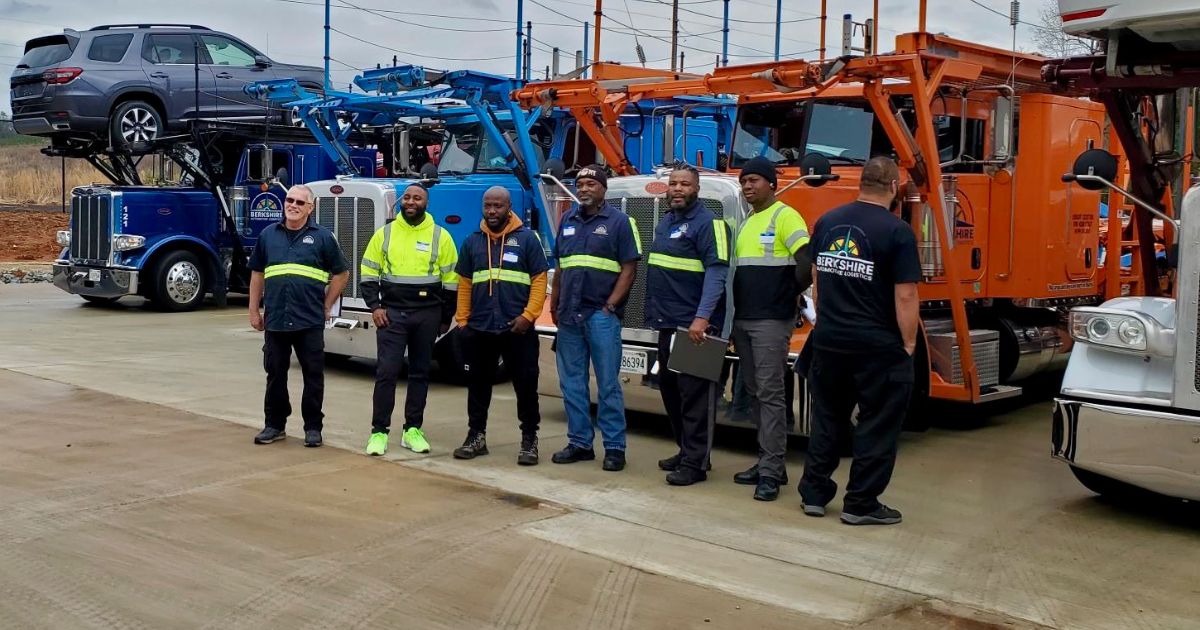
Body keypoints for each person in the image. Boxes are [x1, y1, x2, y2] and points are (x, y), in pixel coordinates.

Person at [798, 156, 920, 525]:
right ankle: (861, 503)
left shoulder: (829, 221)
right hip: (876, 346)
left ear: (860, 183)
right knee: (877, 425)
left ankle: (814, 495)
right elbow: (905, 296)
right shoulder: (897, 232)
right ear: (894, 187)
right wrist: (909, 344)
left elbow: (817, 276)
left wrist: (826, 318)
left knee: (828, 418)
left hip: (830, 340)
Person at [730, 156, 812, 501]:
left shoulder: (785, 215)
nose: (748, 186)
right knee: (756, 394)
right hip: (745, 319)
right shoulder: (748, 221)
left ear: (771, 184)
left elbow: (806, 260)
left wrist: (788, 297)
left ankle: (770, 470)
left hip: (770, 321)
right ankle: (769, 464)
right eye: (744, 181)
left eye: (755, 180)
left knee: (770, 394)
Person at [550, 164, 641, 471]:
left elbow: (629, 269)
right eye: (580, 184)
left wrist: (610, 305)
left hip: (601, 315)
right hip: (569, 317)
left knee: (608, 385)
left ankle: (615, 448)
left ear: (603, 189)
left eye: (591, 183)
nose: (584, 188)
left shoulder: (620, 222)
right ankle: (579, 443)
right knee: (572, 383)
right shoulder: (566, 220)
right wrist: (555, 305)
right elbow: (562, 266)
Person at [645, 163, 731, 486]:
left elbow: (717, 273)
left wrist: (702, 317)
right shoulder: (667, 221)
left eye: (684, 184)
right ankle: (685, 450)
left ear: (697, 189)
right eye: (673, 183)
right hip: (668, 323)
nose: (677, 189)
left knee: (696, 397)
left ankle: (696, 463)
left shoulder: (710, 224)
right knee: (670, 389)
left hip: (695, 327)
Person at [451, 186, 549, 465]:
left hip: (517, 328)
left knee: (526, 387)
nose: (492, 211)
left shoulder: (528, 240)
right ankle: (476, 436)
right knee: (478, 386)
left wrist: (529, 316)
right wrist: (462, 321)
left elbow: (540, 280)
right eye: (488, 206)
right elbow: (465, 283)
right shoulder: (472, 242)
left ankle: (529, 440)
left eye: (498, 206)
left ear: (509, 207)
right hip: (480, 328)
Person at [248, 184, 350, 447]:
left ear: (310, 208)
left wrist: (327, 304)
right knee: (275, 375)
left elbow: (341, 274)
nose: (293, 205)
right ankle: (274, 425)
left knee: (313, 376)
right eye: (289, 200)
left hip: (309, 320)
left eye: (299, 202)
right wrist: (253, 311)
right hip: (276, 319)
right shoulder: (268, 236)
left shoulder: (323, 238)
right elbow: (257, 274)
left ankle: (313, 428)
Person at [360, 183, 458, 456]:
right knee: (386, 373)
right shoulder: (385, 234)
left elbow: (451, 281)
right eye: (408, 197)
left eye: (418, 197)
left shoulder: (442, 236)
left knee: (419, 373)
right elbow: (368, 272)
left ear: (426, 203)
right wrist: (375, 307)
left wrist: (444, 318)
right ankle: (379, 432)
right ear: (402, 202)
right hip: (391, 314)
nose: (412, 201)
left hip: (427, 314)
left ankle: (412, 430)